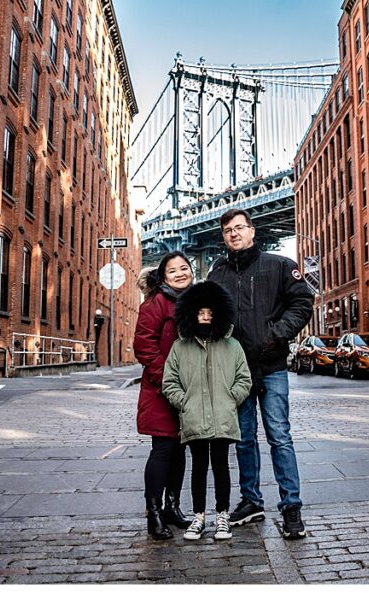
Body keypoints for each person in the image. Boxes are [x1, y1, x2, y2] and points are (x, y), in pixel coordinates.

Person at [207, 209, 314, 539]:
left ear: (253, 232)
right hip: (236, 372)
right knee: (244, 440)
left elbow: (302, 302)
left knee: (280, 436)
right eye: (228, 230)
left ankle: (291, 507)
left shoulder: (279, 265)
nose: (234, 234)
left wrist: (276, 333)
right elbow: (207, 315)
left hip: (271, 367)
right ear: (224, 237)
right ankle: (251, 501)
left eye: (240, 227)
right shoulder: (217, 272)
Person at [161, 281, 252, 541]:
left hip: (223, 417)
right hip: (194, 418)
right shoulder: (180, 347)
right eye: (200, 312)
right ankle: (199, 517)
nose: (205, 317)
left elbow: (244, 379)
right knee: (198, 468)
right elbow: (170, 381)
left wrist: (230, 399)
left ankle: (222, 516)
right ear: (191, 313)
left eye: (210, 313)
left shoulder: (232, 346)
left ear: (218, 314)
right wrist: (185, 402)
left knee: (221, 467)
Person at [132, 252, 195, 540]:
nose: (180, 273)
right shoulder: (154, 304)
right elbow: (145, 348)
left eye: (185, 268)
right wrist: (169, 382)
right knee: (163, 449)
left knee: (181, 449)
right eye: (173, 270)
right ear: (163, 276)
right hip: (162, 389)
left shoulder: (196, 302)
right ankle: (153, 512)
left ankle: (172, 507)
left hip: (191, 389)